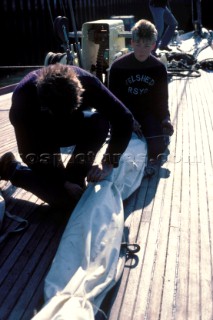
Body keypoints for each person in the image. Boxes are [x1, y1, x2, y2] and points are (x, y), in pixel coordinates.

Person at [0, 63, 134, 211]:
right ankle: (11, 169)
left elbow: (124, 118)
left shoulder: (88, 83)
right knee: (65, 202)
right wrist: (62, 181)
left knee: (99, 123)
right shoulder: (24, 99)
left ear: (80, 93)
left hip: (73, 125)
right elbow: (28, 152)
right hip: (42, 134)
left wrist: (108, 162)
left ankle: (75, 174)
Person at [109, 19, 174, 172]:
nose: (142, 50)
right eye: (138, 44)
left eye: (146, 46)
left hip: (149, 114)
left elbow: (162, 100)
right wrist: (128, 119)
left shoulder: (158, 68)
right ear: (131, 43)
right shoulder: (118, 67)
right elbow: (112, 101)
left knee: (157, 150)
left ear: (154, 45)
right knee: (122, 151)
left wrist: (166, 118)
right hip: (125, 115)